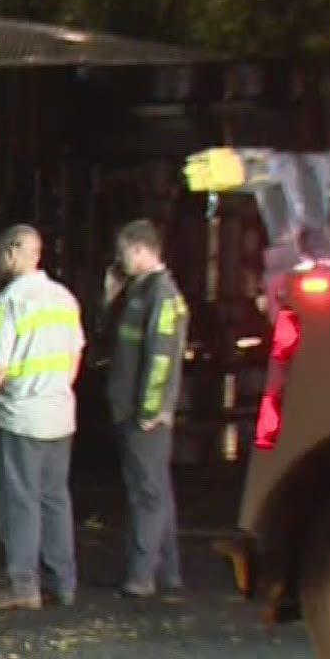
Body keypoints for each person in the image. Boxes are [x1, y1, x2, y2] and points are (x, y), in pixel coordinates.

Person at [0, 225, 85, 612]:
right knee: (55, 500)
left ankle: (22, 584)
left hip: (19, 417)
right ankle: (63, 583)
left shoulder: (8, 303)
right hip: (59, 415)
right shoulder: (65, 300)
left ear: (15, 252)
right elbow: (74, 359)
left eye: (2, 252)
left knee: (20, 501)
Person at [105, 220, 188, 602]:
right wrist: (110, 298)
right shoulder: (138, 291)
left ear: (141, 250)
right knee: (157, 490)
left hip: (143, 414)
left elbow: (161, 356)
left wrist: (150, 409)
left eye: (123, 252)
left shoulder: (161, 295)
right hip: (132, 409)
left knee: (146, 493)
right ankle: (167, 572)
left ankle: (141, 576)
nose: (119, 260)